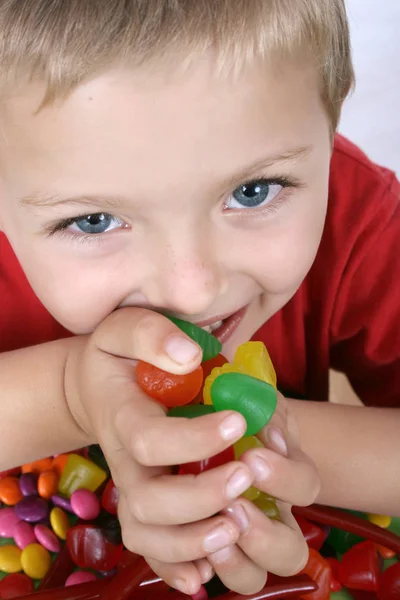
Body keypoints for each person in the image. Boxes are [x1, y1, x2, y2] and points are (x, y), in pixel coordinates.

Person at [0, 0, 399, 595]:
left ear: (334, 108)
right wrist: (70, 395)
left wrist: (241, 445)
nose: (194, 289)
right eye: (93, 221)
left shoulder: (358, 216)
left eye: (254, 191)